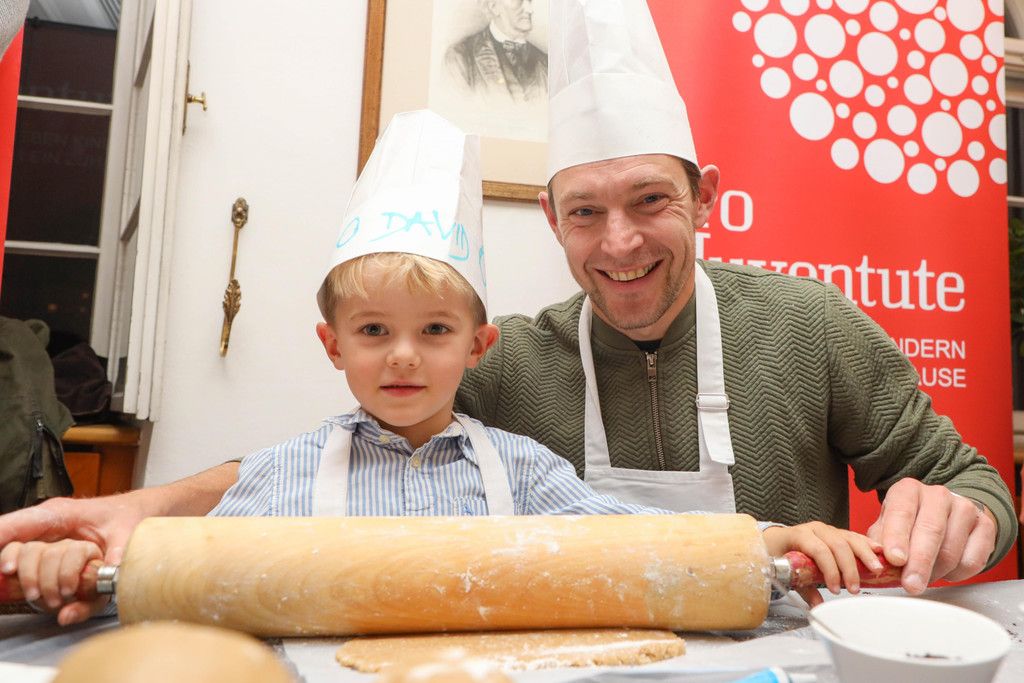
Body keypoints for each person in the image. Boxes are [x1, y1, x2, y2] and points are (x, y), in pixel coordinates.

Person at [0, 0, 1016, 605]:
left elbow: (969, 480)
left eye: (650, 201)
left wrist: (964, 511)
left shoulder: (811, 326)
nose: (618, 243)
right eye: (586, 212)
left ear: (705, 195)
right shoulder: (508, 362)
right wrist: (139, 507)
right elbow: (328, 455)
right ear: (551, 216)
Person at [0, 110, 884, 624]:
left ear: (478, 347)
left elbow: (640, 539)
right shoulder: (282, 474)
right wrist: (80, 565)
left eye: (433, 330)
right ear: (332, 346)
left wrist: (773, 542)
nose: (402, 355)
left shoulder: (525, 470)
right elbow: (178, 574)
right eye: (373, 329)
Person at [444, 0, 546, 103]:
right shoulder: (460, 58)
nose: (530, 9)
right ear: (494, 7)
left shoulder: (545, 63)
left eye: (529, 1)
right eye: (518, 1)